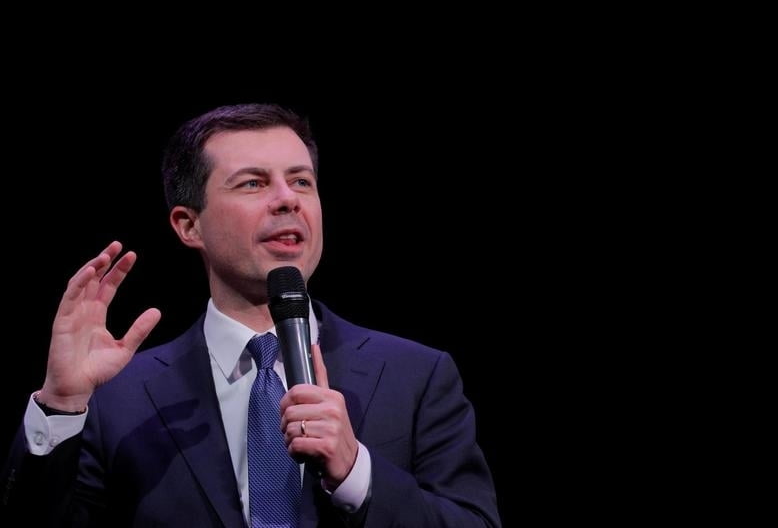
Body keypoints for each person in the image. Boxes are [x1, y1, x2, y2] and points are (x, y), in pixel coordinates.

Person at [0, 103, 500, 527]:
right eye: (254, 184)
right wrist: (61, 403)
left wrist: (355, 471)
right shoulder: (119, 400)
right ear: (188, 224)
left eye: (301, 181)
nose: (287, 200)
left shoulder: (417, 375)